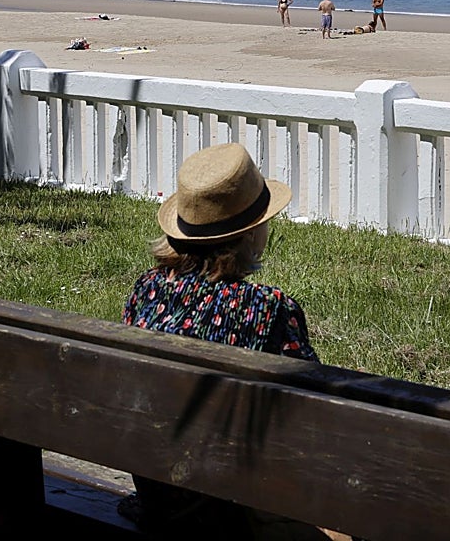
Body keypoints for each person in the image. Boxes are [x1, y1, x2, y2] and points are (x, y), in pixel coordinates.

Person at [121, 143, 324, 536]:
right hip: (235, 518)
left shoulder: (146, 290)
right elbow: (317, 424)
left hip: (158, 501)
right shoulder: (268, 309)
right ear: (250, 233)